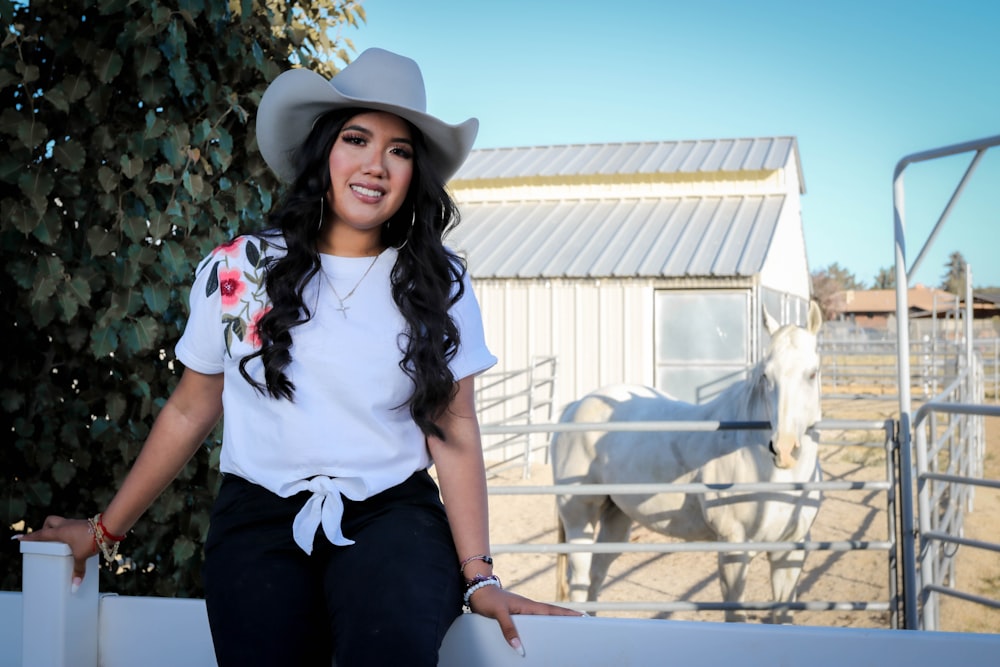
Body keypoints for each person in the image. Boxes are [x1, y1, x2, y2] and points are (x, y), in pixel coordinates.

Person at [18, 47, 582, 665]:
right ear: (322, 150)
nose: (377, 165)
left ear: (414, 172)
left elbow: (454, 426)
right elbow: (189, 410)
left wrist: (480, 576)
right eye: (357, 138)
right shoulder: (238, 269)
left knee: (389, 649)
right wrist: (102, 531)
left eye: (399, 150)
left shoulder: (437, 281)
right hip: (258, 515)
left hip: (394, 515)